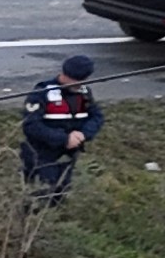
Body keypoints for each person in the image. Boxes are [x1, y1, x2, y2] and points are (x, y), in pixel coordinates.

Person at [20, 54, 103, 203]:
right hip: (41, 155)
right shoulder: (42, 92)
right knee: (41, 195)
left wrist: (83, 134)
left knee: (61, 194)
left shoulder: (84, 93)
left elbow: (97, 117)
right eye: (73, 80)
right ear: (64, 74)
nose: (77, 85)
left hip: (67, 156)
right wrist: (64, 139)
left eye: (81, 81)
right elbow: (31, 125)